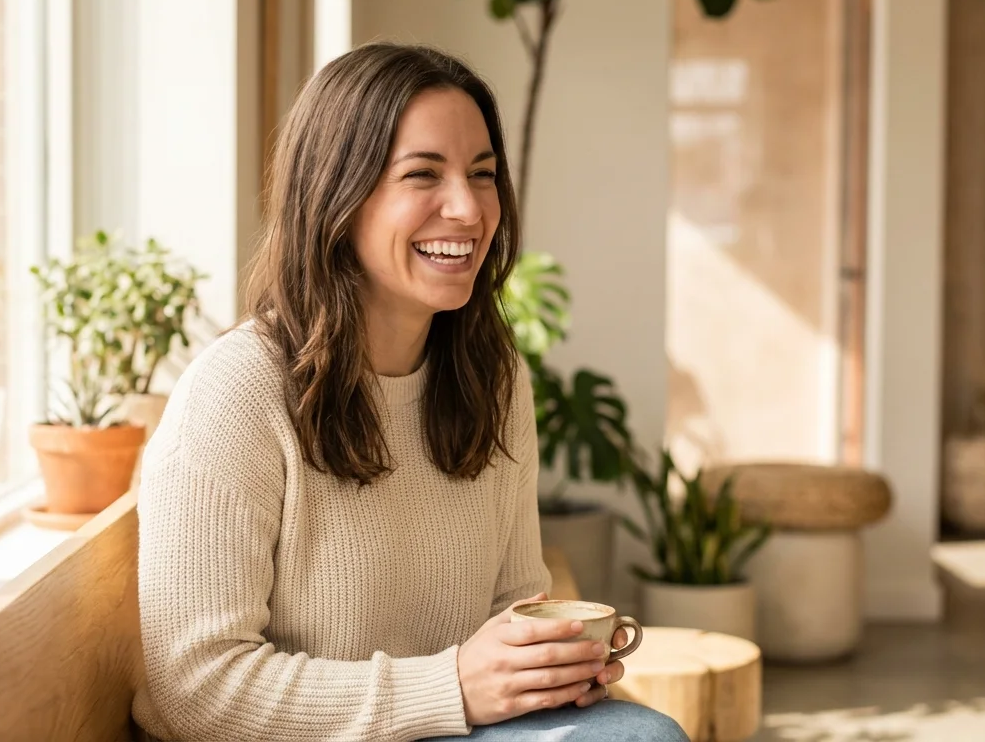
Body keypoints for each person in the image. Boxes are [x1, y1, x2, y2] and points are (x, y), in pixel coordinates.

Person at [130, 42, 688, 742]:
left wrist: (546, 669)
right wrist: (450, 688)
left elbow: (515, 602)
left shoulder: (492, 376)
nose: (468, 208)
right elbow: (195, 689)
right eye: (423, 174)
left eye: (483, 174)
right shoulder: (235, 393)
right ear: (336, 195)